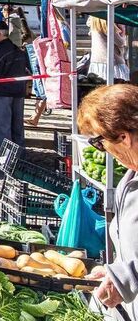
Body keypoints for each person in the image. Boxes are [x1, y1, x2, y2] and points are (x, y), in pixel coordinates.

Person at [75, 84, 138, 316]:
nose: (102, 151)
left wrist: (126, 277)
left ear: (123, 137)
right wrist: (114, 272)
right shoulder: (130, 178)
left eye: (99, 142)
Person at [0, 19, 30, 154]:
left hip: (3, 93)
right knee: (17, 129)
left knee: (2, 129)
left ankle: (7, 161)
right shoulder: (18, 50)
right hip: (19, 92)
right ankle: (20, 160)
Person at [89, 14, 130, 83]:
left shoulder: (94, 22)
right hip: (112, 62)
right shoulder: (108, 23)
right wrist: (122, 30)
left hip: (96, 62)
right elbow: (121, 42)